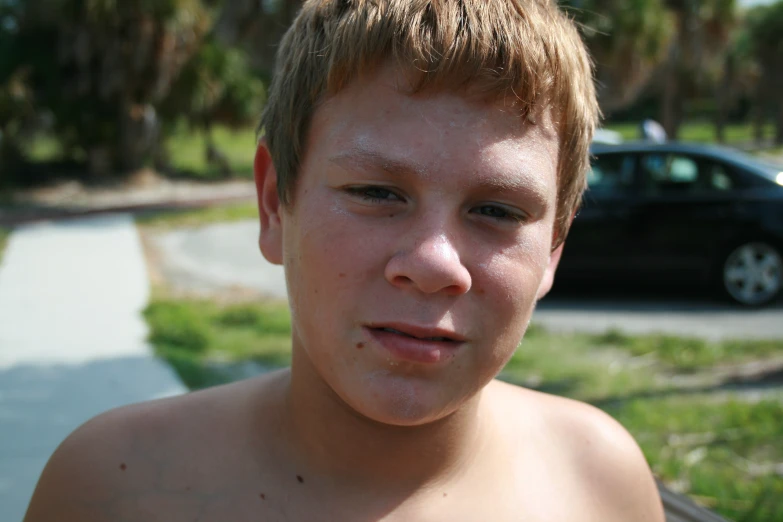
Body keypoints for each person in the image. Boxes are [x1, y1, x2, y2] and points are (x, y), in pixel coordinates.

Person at [24, 1, 666, 520]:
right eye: (377, 193)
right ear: (276, 206)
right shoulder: (110, 488)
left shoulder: (600, 481)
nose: (435, 263)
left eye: (497, 211)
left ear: (554, 245)